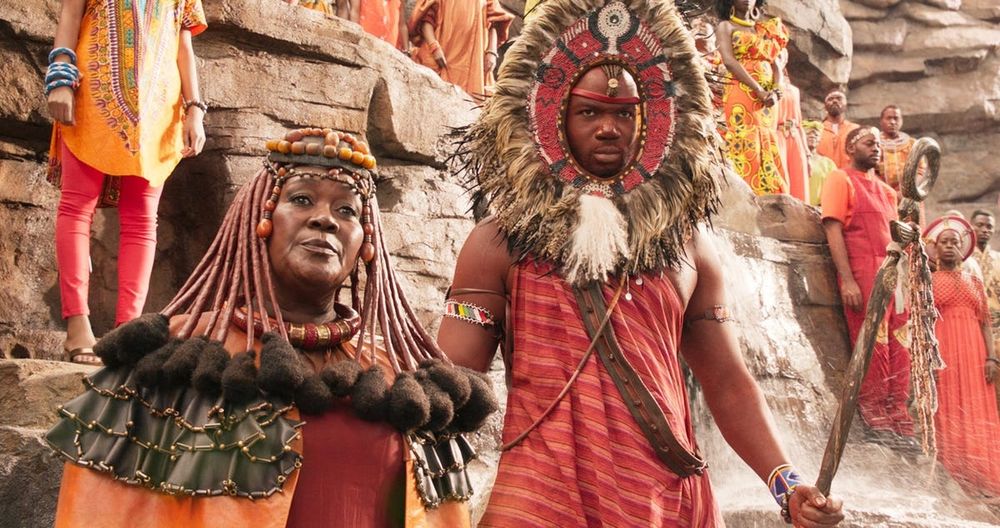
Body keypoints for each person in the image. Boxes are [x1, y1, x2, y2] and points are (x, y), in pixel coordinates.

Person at [442, 1, 844, 526]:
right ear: (554, 116)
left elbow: (726, 381)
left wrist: (787, 483)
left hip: (669, 500)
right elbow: (452, 378)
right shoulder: (499, 242)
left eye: (624, 113)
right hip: (543, 496)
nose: (609, 128)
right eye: (590, 112)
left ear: (651, 120)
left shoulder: (690, 245)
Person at [45, 129, 496, 527]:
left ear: (366, 245)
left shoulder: (398, 376)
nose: (325, 219)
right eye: (301, 199)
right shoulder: (169, 364)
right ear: (257, 221)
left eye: (348, 211)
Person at [46, 0, 208, 365]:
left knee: (141, 220)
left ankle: (127, 331)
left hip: (158, 108)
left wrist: (195, 109)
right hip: (91, 95)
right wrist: (60, 78)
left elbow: (184, 44)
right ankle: (77, 327)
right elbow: (71, 15)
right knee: (76, 206)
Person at [820, 126, 914, 441]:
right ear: (849, 149)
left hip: (893, 272)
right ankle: (876, 415)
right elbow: (833, 229)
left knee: (901, 341)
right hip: (863, 269)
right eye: (868, 142)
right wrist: (846, 279)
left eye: (878, 143)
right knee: (873, 340)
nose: (876, 147)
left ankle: (899, 415)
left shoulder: (888, 191)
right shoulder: (840, 178)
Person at [924, 215, 1000, 497]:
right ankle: (956, 475)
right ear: (936, 247)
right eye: (943, 242)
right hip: (945, 353)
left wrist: (992, 359)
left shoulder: (975, 282)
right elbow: (923, 324)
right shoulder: (928, 283)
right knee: (950, 404)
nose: (949, 247)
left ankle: (983, 475)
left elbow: (985, 323)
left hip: (974, 353)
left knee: (979, 406)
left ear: (962, 247)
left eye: (954, 242)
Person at [716, 0, 790, 195]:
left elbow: (776, 63)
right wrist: (758, 89)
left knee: (767, 134)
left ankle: (771, 192)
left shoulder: (764, 28)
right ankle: (745, 190)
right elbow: (730, 61)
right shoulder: (726, 26)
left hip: (768, 97)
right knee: (745, 135)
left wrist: (777, 87)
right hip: (740, 90)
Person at [408, 0, 513, 99]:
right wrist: (434, 47)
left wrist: (492, 52)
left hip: (475, 62)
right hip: (444, 57)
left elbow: (494, 23)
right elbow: (426, 20)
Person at [971, 209, 1000, 412]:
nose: (984, 230)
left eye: (989, 226)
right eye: (979, 225)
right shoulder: (962, 257)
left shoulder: (998, 259)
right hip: (972, 326)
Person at [774, 49, 809, 202]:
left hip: (795, 137)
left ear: (786, 59)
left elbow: (799, 122)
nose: (776, 59)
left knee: (798, 177)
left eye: (780, 56)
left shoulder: (794, 90)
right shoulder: (767, 85)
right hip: (777, 135)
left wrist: (807, 153)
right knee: (781, 178)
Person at [876, 105, 916, 192]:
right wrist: (889, 192)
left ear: (901, 121)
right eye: (889, 118)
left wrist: (906, 190)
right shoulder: (874, 143)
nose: (893, 122)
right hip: (881, 193)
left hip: (909, 194)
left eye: (896, 118)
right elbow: (870, 171)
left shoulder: (912, 144)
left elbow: (920, 170)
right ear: (881, 121)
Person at [817, 90, 859, 170]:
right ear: (825, 106)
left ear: (846, 105)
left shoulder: (855, 130)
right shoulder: (817, 130)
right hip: (824, 179)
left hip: (849, 177)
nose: (835, 101)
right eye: (830, 99)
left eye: (839, 99)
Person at [803, 119, 836, 207]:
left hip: (819, 210)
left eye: (816, 135)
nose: (812, 136)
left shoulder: (828, 164)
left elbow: (833, 190)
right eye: (808, 134)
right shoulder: (792, 160)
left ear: (820, 139)